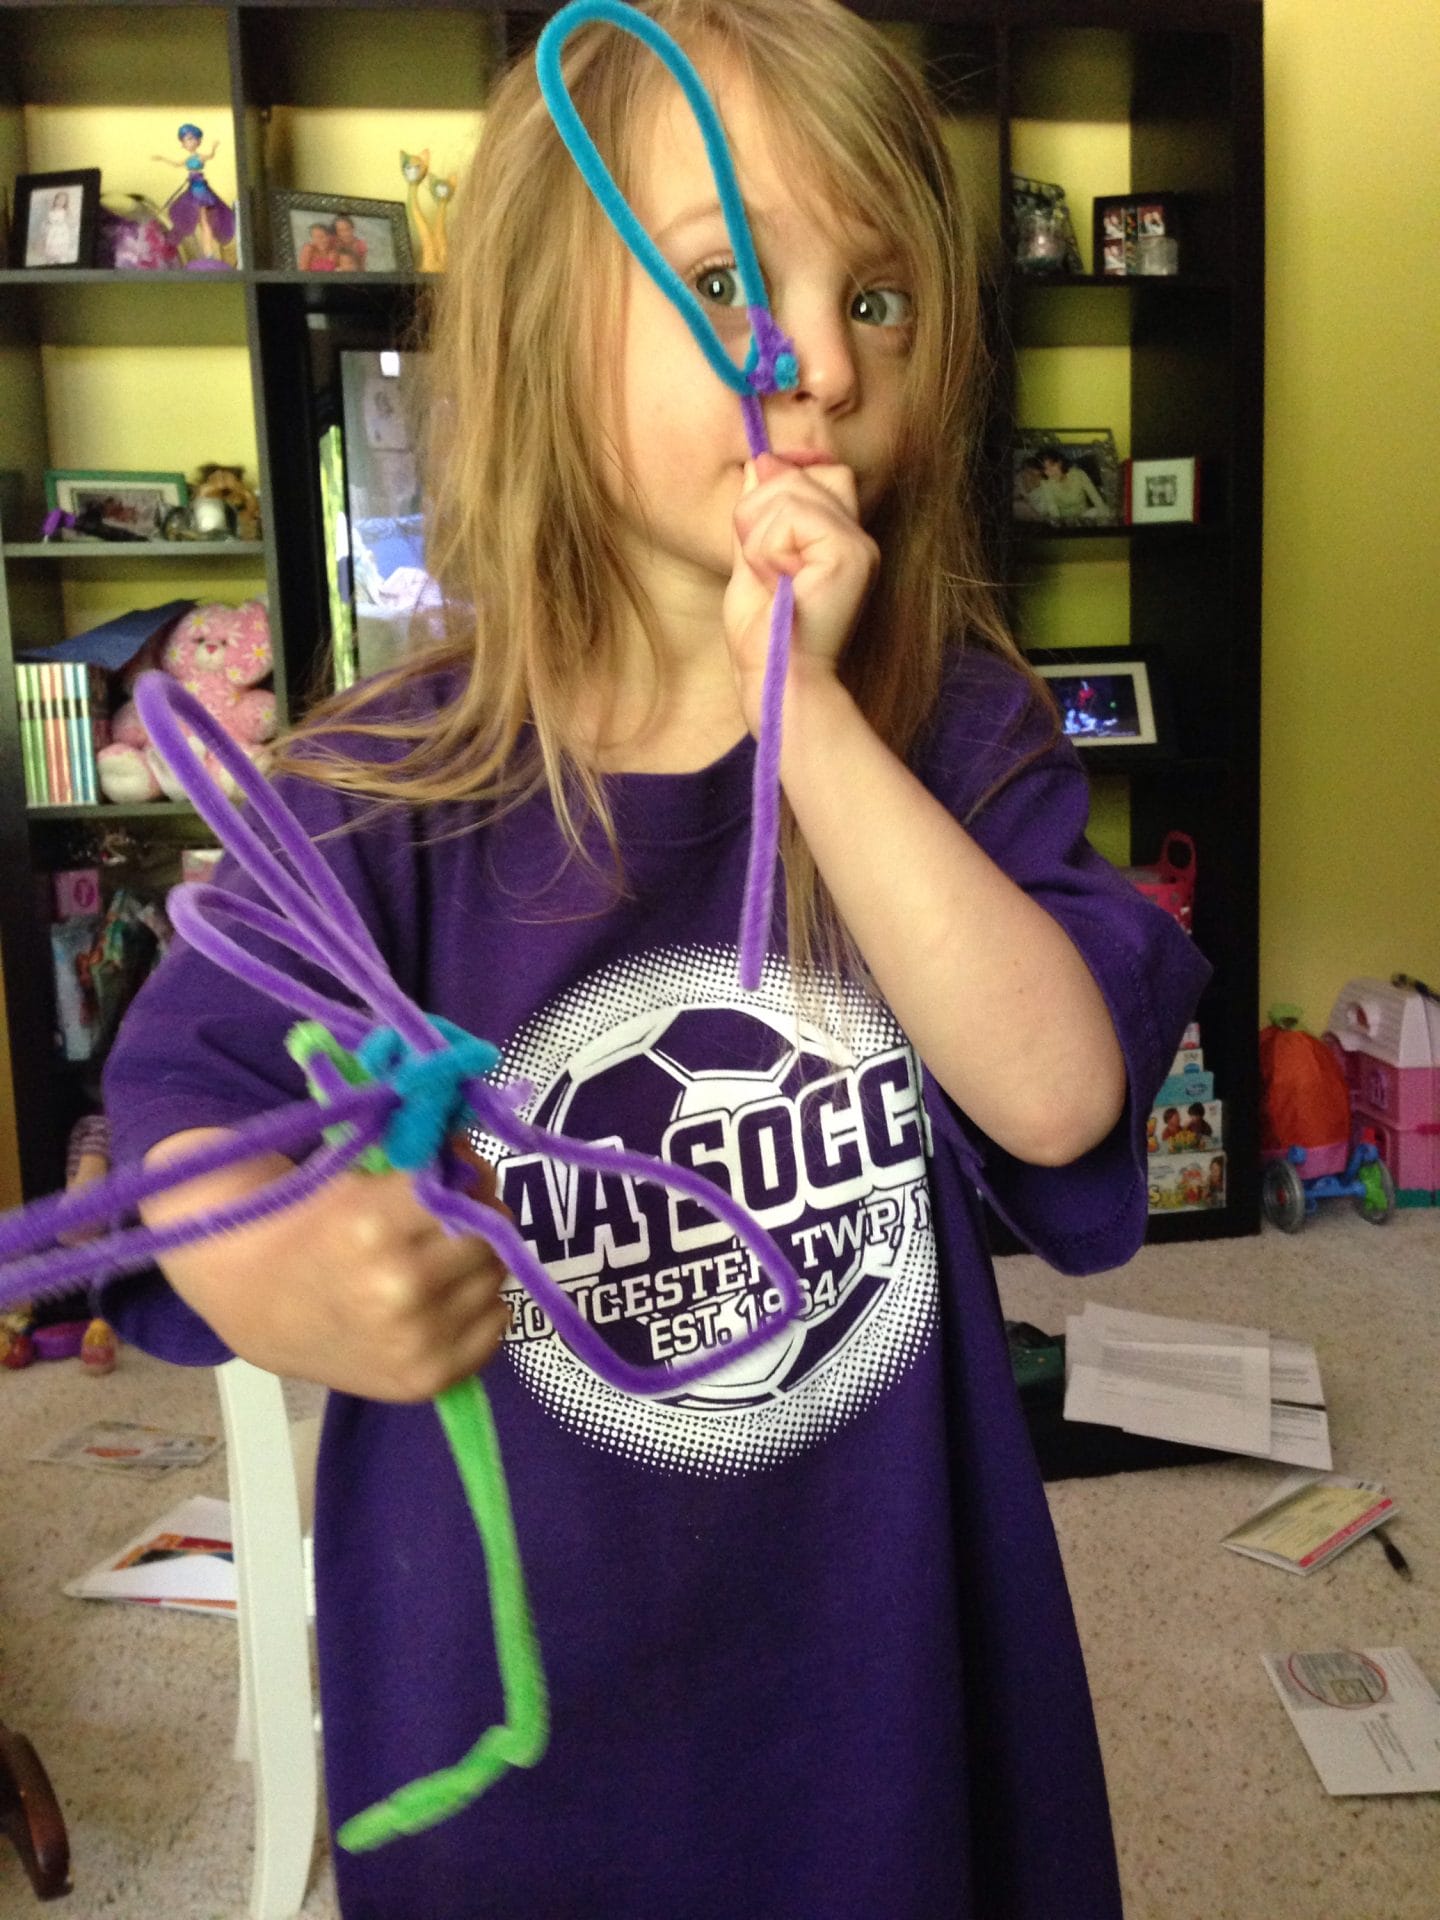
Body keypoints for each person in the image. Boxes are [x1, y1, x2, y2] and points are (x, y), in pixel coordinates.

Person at [100, 3, 1209, 1916]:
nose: (820, 362)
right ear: (547, 330)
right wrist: (282, 1268)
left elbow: (1054, 1094)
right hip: (526, 1716)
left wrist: (818, 725)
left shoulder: (956, 742)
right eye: (720, 279)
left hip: (891, 1694)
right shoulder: (380, 788)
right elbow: (178, 1113)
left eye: (878, 300)